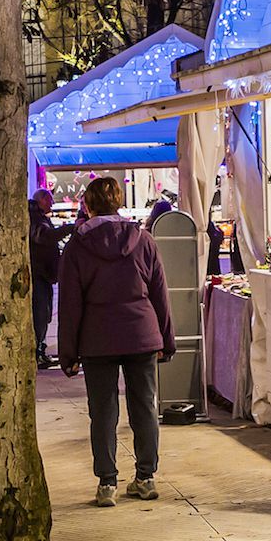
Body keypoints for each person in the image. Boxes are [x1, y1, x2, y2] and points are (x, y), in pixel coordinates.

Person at [57, 174, 173, 507]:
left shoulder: (78, 246)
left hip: (98, 339)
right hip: (141, 334)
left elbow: (70, 303)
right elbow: (159, 293)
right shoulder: (143, 239)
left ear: (88, 206)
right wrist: (166, 338)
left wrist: (68, 352)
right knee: (144, 408)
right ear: (118, 202)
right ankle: (145, 478)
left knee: (103, 412)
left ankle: (107, 483)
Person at [29, 190, 64, 365]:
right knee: (41, 313)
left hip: (42, 275)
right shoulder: (36, 218)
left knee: (44, 313)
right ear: (42, 200)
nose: (52, 204)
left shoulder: (38, 217)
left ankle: (39, 349)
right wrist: (69, 229)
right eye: (50, 200)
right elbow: (44, 237)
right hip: (39, 275)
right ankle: (37, 350)